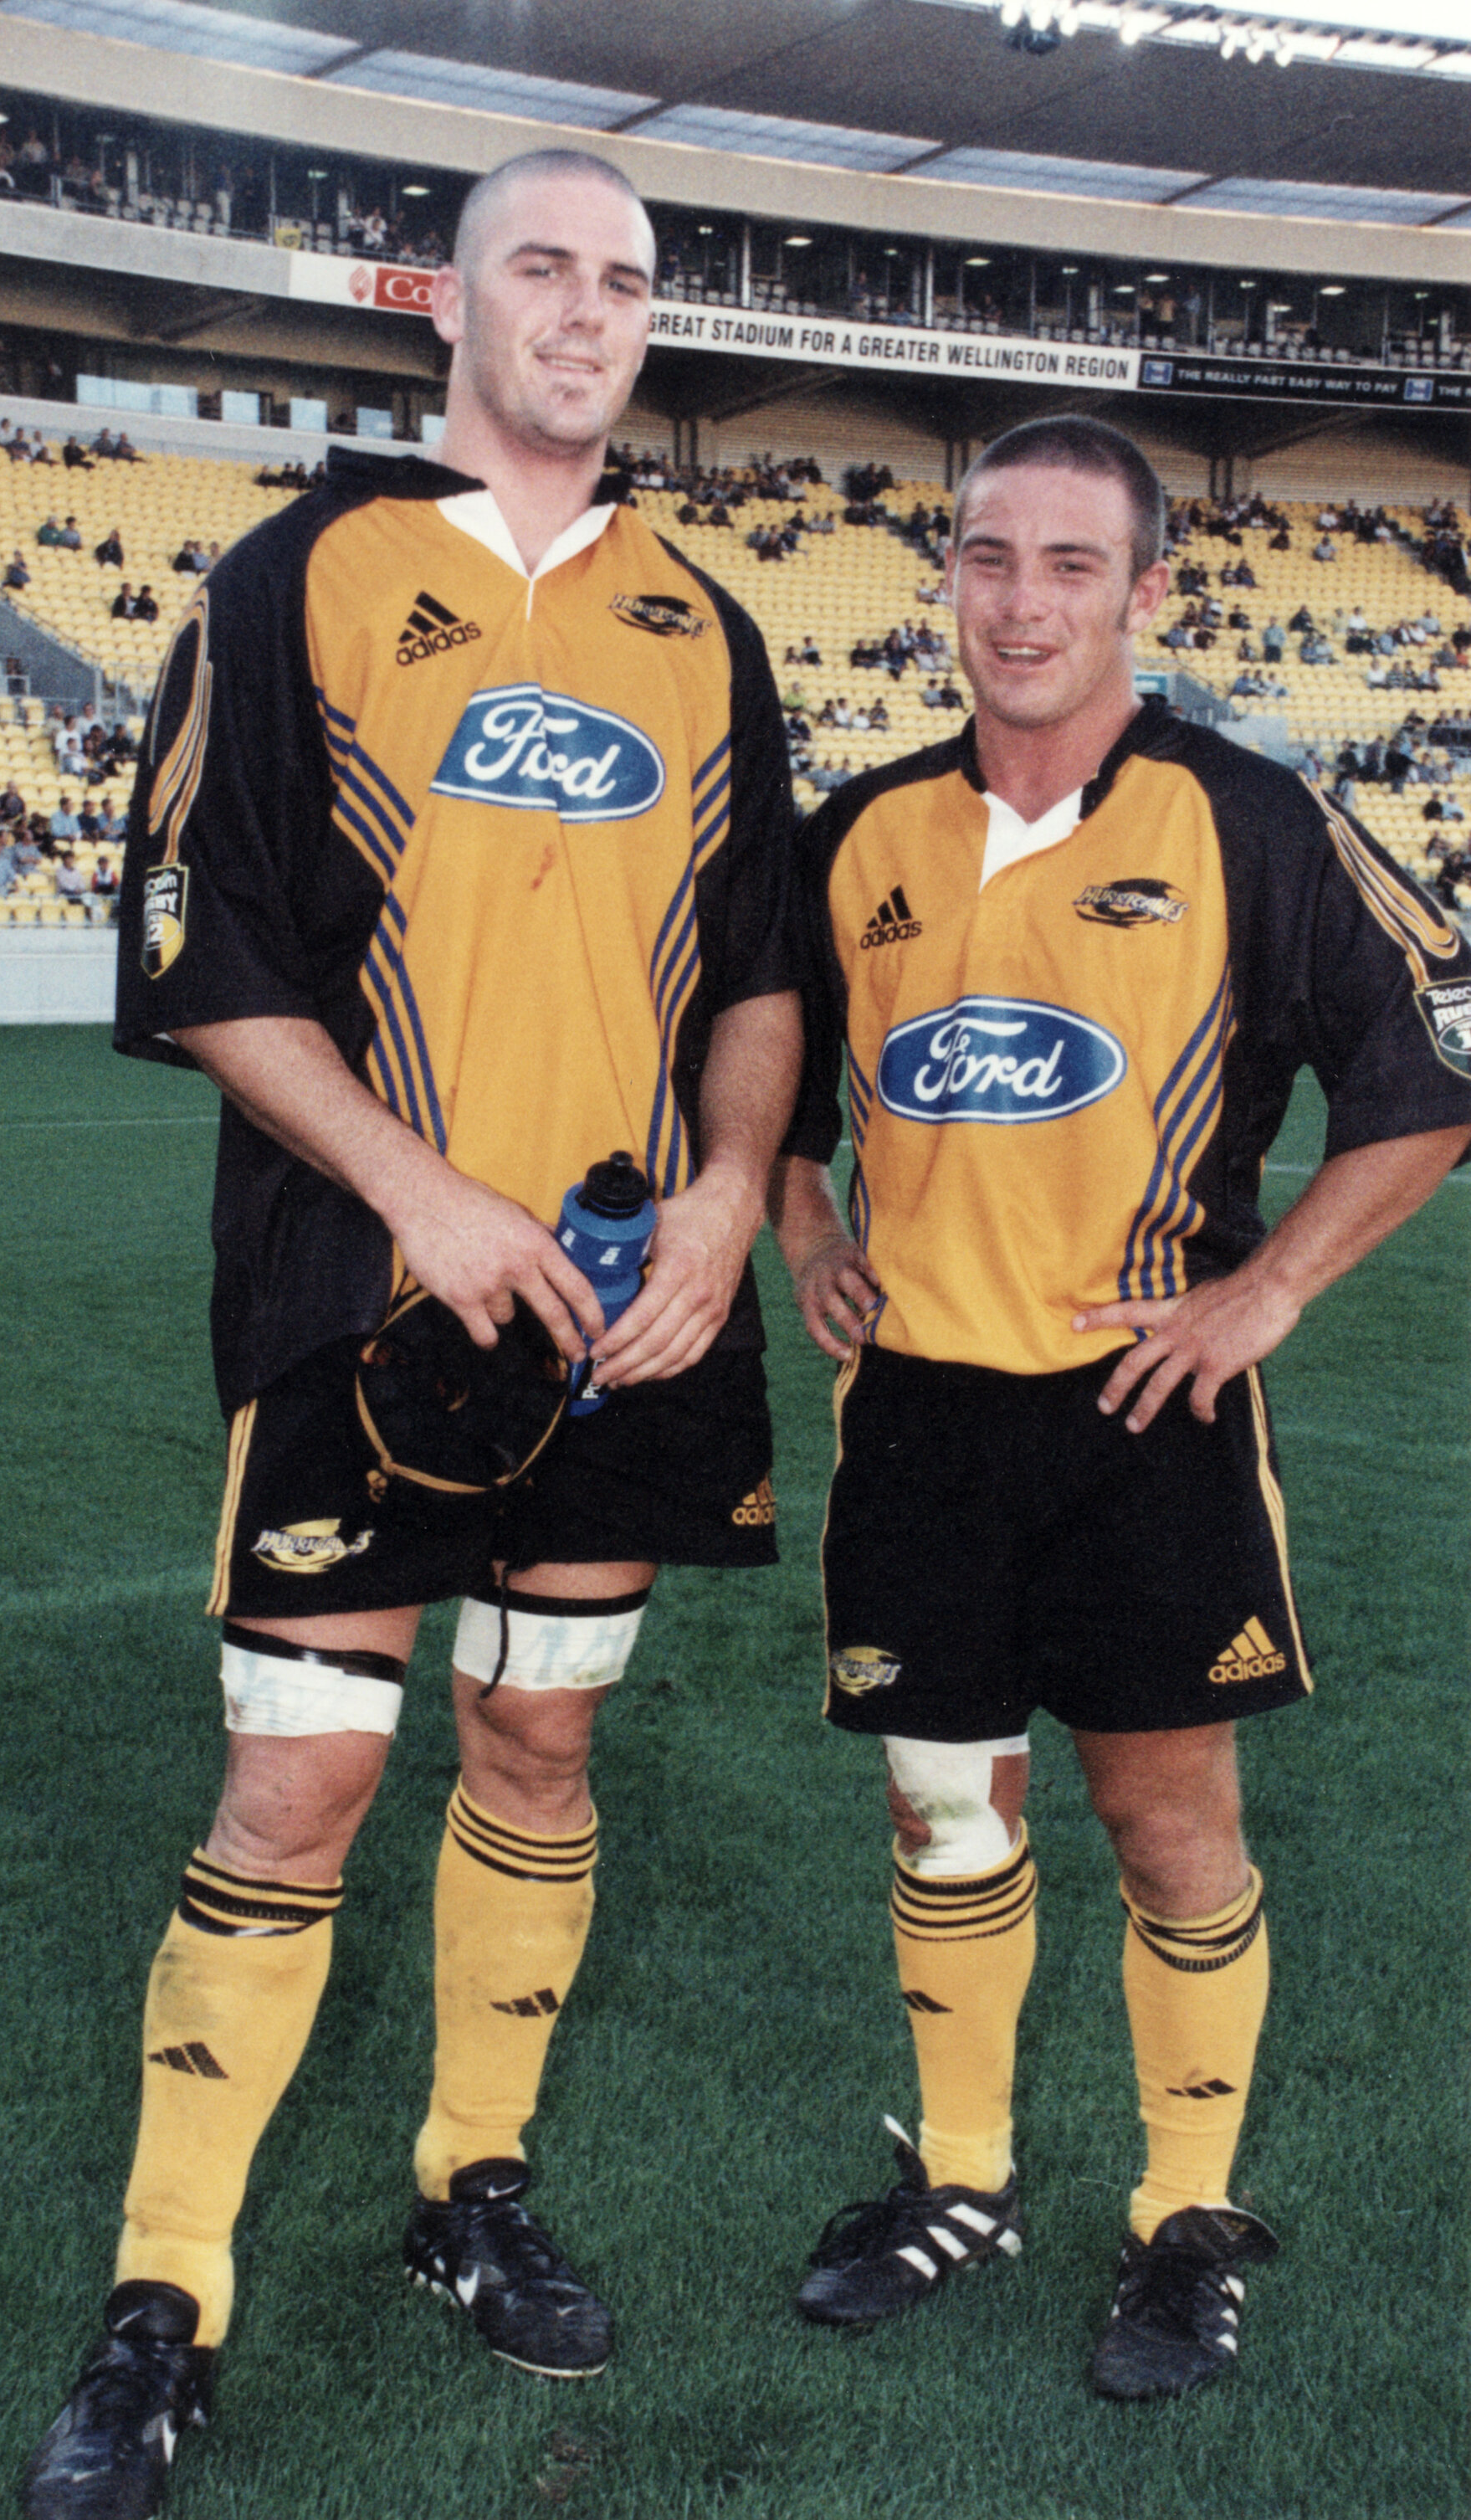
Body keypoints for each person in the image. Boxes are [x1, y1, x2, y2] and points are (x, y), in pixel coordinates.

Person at [19, 146, 799, 2520]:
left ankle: (471, 2179)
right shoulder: (299, 578)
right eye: (539, 269)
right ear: (442, 307)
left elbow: (762, 971)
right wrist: (416, 1187)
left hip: (622, 1319)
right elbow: (197, 950)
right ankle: (165, 2292)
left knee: (536, 1754)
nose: (584, 311)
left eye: (623, 281)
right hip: (356, 1296)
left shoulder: (703, 620)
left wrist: (735, 1191)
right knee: (302, 1782)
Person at [770, 415, 1471, 2406]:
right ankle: (964, 2173)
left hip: (1138, 1414)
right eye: (988, 557)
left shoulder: (1248, 819)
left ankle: (1181, 2215)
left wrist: (1264, 1291)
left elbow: (1421, 1081)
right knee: (941, 1809)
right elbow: (754, 1061)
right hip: (910, 1417)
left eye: (1069, 564)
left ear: (1145, 594)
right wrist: (805, 1209)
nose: (1019, 601)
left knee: (1163, 1823)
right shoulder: (866, 830)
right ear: (946, 581)